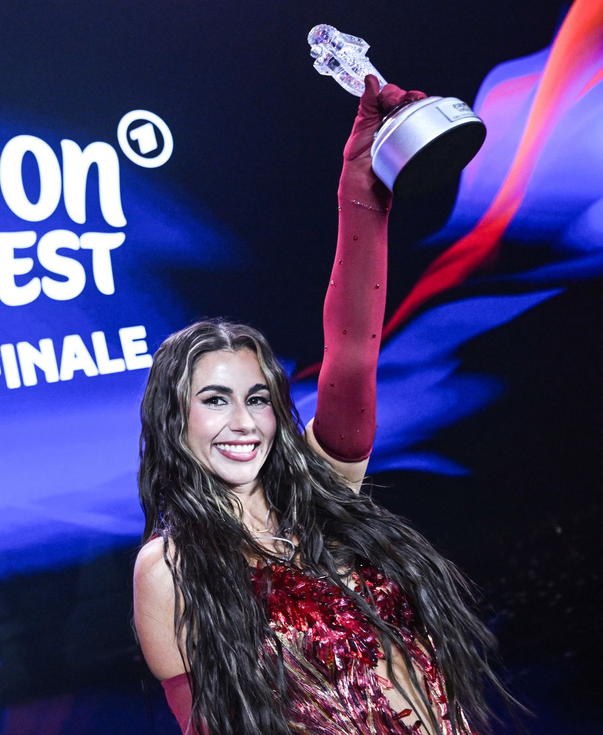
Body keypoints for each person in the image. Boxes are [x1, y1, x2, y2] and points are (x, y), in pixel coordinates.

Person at [132, 77, 515, 735]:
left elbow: (353, 353)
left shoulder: (322, 491)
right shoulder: (169, 568)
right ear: (175, 421)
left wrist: (362, 187)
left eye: (258, 398)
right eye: (215, 400)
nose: (243, 421)